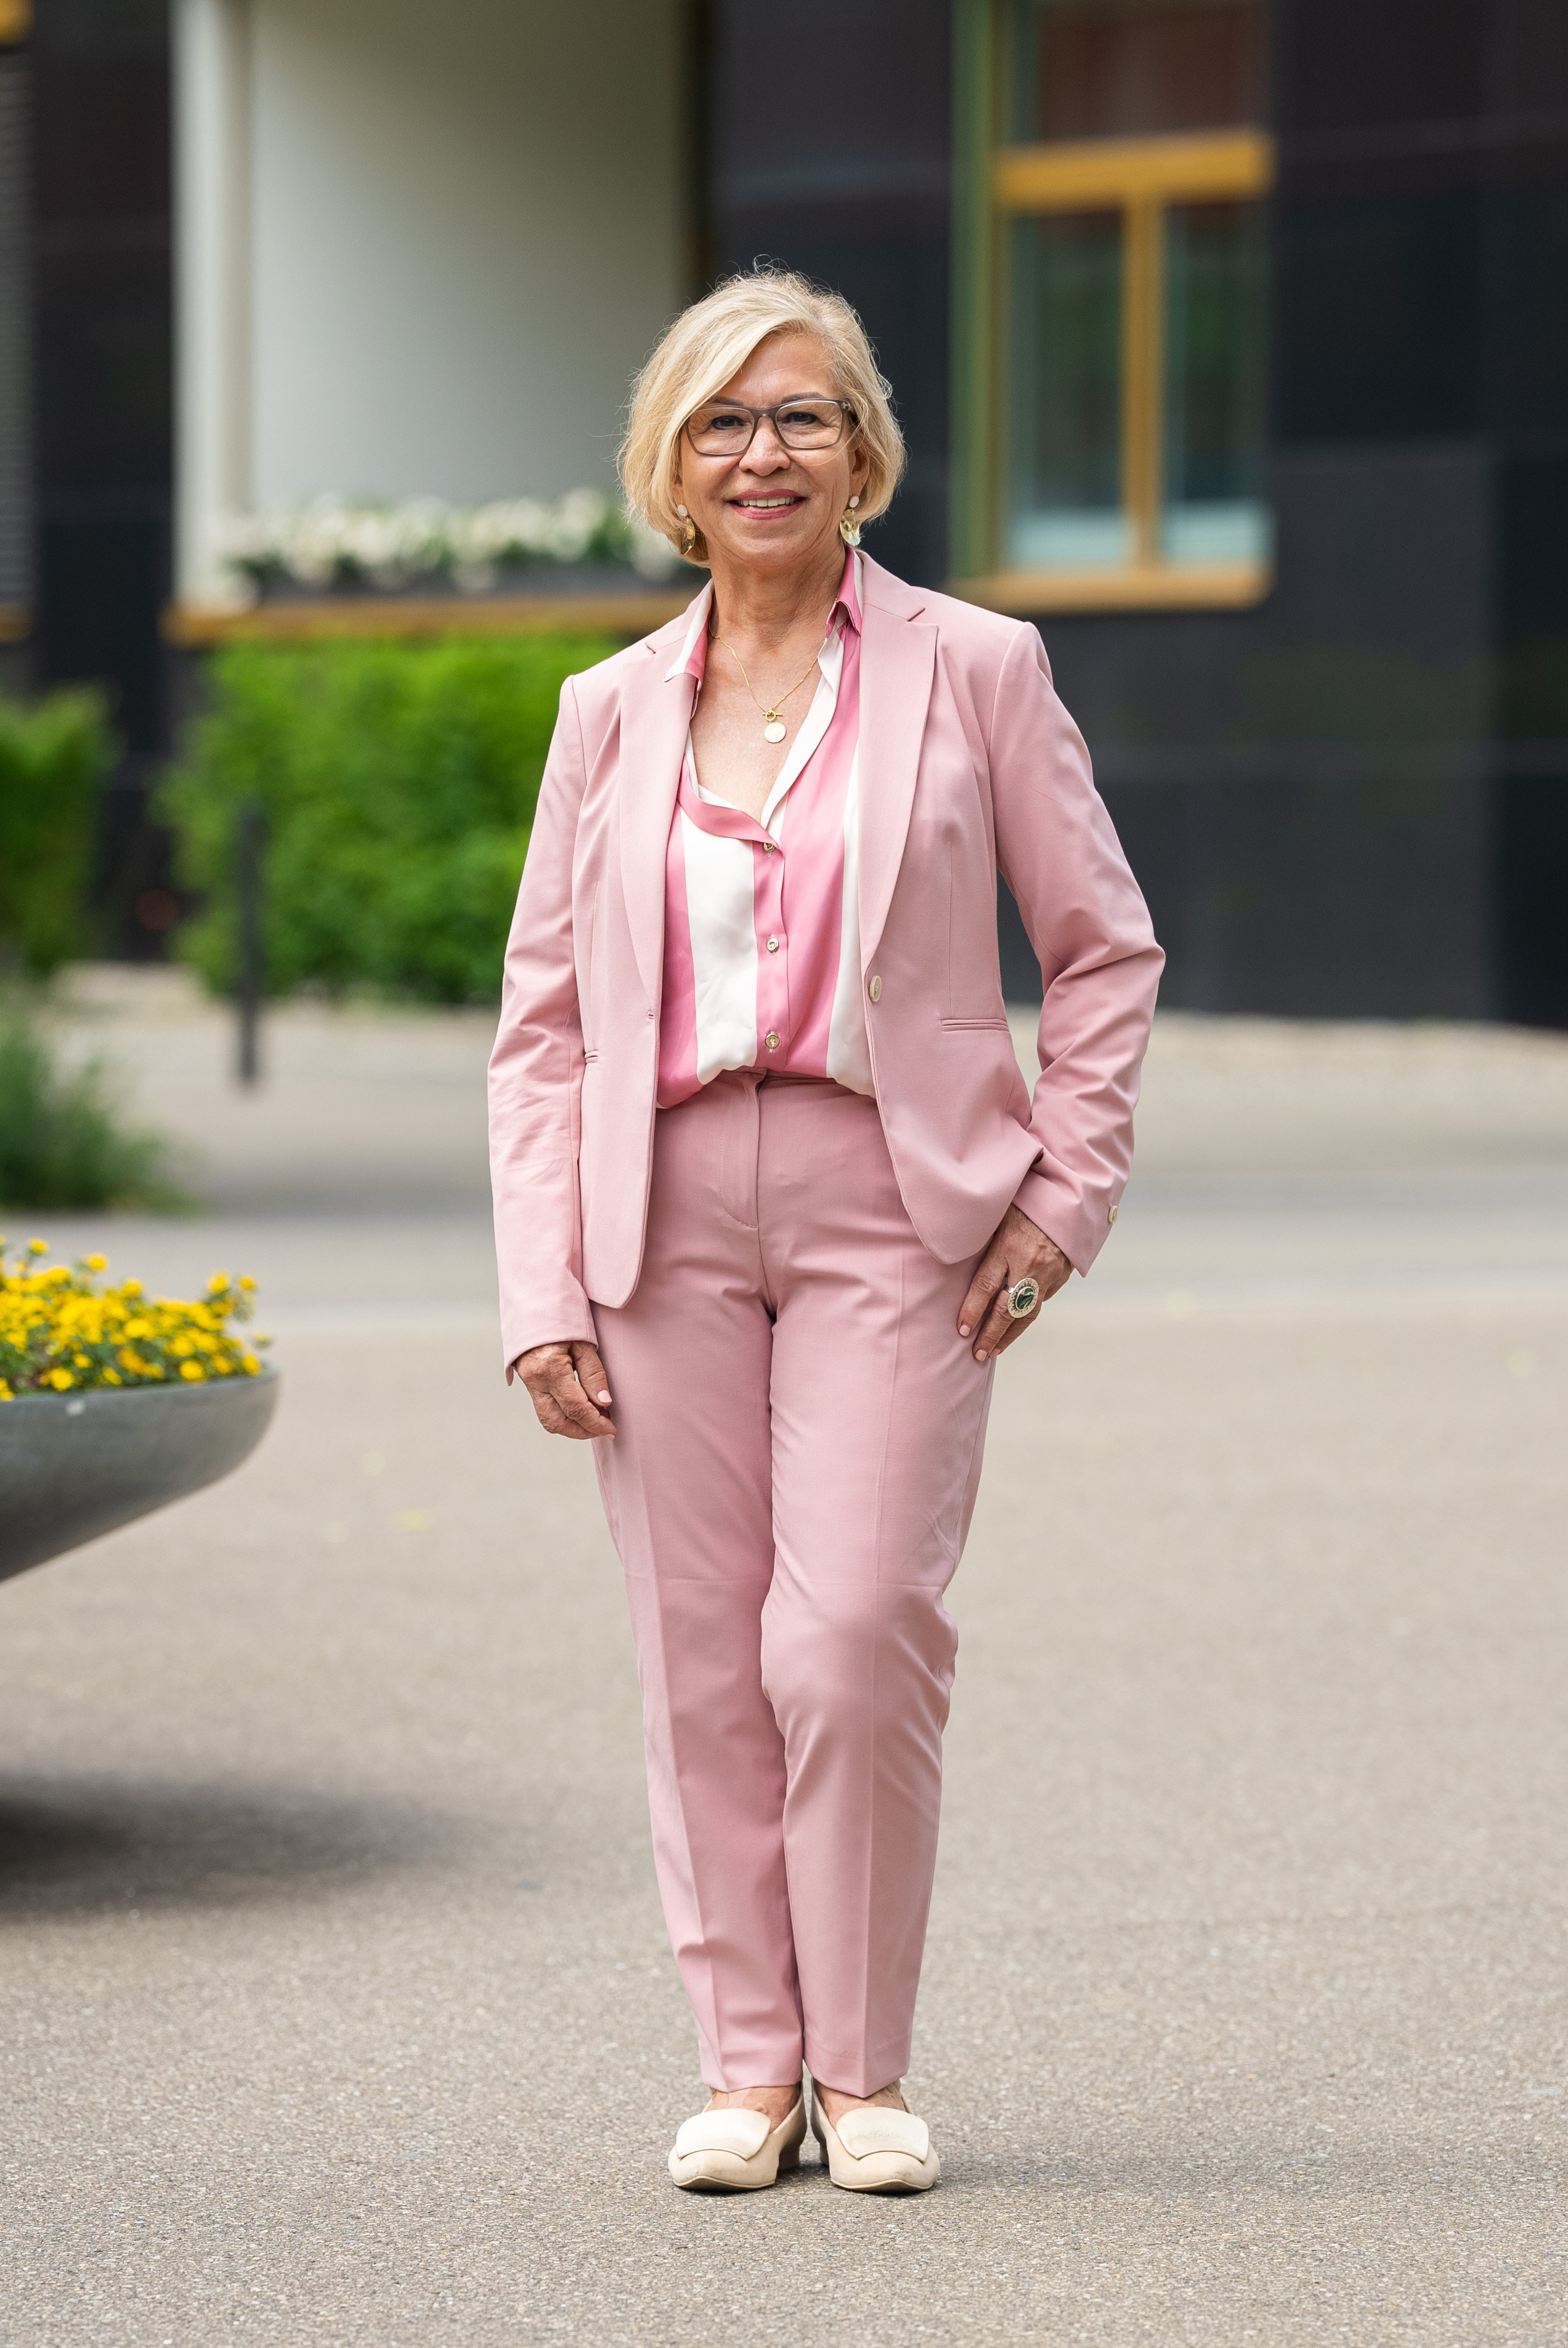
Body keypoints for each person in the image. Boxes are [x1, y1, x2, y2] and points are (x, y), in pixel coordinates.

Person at [488, 267, 1162, 2195]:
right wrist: (541, 1279)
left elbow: (1102, 947)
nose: (761, 452)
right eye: (721, 422)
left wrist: (1066, 1187)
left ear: (861, 452)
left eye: (797, 417)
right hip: (661, 1209)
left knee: (852, 1630)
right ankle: (745, 2062)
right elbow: (541, 1019)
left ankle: (860, 2069)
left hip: (900, 1202)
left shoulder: (980, 667)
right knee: (699, 1651)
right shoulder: (606, 709)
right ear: (671, 471)